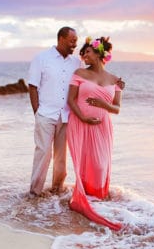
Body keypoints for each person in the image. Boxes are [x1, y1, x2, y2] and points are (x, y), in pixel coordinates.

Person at [66, 36, 122, 231]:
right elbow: (71, 100)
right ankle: (81, 200)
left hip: (102, 127)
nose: (84, 55)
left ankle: (97, 202)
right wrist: (83, 117)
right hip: (80, 124)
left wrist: (103, 104)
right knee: (83, 163)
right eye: (83, 53)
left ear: (99, 53)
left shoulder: (115, 80)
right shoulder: (79, 73)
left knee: (99, 165)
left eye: (87, 52)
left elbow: (116, 109)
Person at [27, 26, 81, 197]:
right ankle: (35, 191)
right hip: (45, 114)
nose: (75, 44)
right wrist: (37, 112)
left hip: (66, 116)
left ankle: (57, 189)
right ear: (61, 38)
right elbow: (33, 86)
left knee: (61, 156)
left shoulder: (76, 62)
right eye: (72, 40)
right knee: (43, 153)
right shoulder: (42, 58)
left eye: (76, 41)